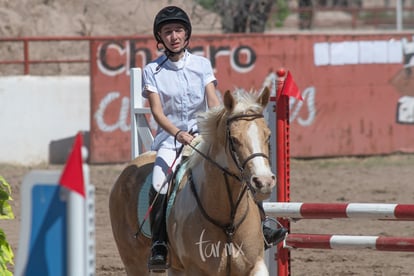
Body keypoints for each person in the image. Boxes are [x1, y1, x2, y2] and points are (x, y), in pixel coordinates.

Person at [142, 6, 287, 272]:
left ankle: (263, 225)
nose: (174, 36)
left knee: (240, 167)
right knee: (160, 183)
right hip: (171, 139)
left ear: (186, 34)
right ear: (160, 38)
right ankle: (160, 244)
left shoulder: (201, 64)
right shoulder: (153, 70)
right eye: (168, 32)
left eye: (178, 31)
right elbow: (157, 112)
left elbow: (212, 102)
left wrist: (213, 127)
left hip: (204, 136)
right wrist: (178, 133)